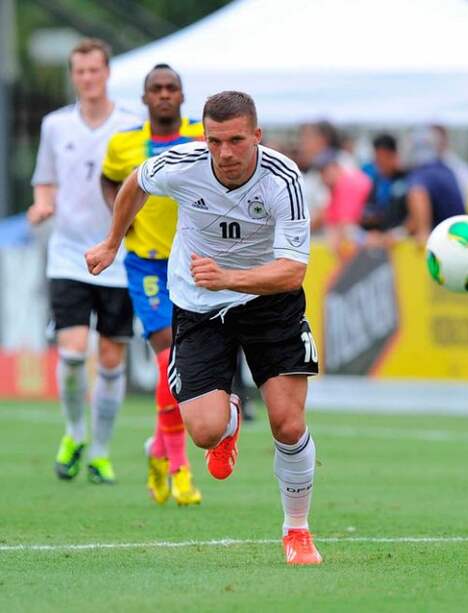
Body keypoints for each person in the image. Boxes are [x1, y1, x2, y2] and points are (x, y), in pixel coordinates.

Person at [85, 91, 322, 565]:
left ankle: (296, 530)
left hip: (269, 303)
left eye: (236, 140)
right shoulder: (182, 163)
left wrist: (229, 278)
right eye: (215, 141)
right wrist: (113, 242)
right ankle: (229, 418)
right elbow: (134, 182)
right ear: (204, 138)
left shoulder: (284, 179)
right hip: (197, 306)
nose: (226, 153)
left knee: (288, 423)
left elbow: (293, 271)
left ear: (257, 135)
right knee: (205, 433)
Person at [28, 39, 140, 484]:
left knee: (111, 360)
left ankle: (100, 451)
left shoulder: (132, 124)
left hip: (117, 254)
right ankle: (75, 433)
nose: (88, 78)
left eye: (95, 70)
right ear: (73, 75)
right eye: (80, 71)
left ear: (107, 73)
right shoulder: (55, 125)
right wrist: (41, 206)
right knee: (73, 354)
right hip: (68, 255)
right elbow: (44, 182)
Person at [100, 64, 203, 505]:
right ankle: (179, 468)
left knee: (186, 360)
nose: (164, 95)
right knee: (168, 357)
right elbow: (109, 180)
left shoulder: (203, 137)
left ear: (182, 96)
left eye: (171, 88)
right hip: (146, 265)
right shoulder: (124, 143)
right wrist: (122, 222)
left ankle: (159, 449)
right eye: (156, 89)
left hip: (194, 264)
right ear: (144, 99)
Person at [404, 128, 465, 245]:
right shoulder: (447, 170)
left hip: (443, 244)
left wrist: (422, 232)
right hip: (461, 239)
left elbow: (417, 195)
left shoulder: (421, 173)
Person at [360, 133, 409, 237]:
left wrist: (397, 234)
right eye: (377, 159)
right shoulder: (373, 179)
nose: (380, 163)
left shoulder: (408, 179)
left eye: (384, 158)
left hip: (401, 240)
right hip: (377, 238)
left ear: (394, 155)